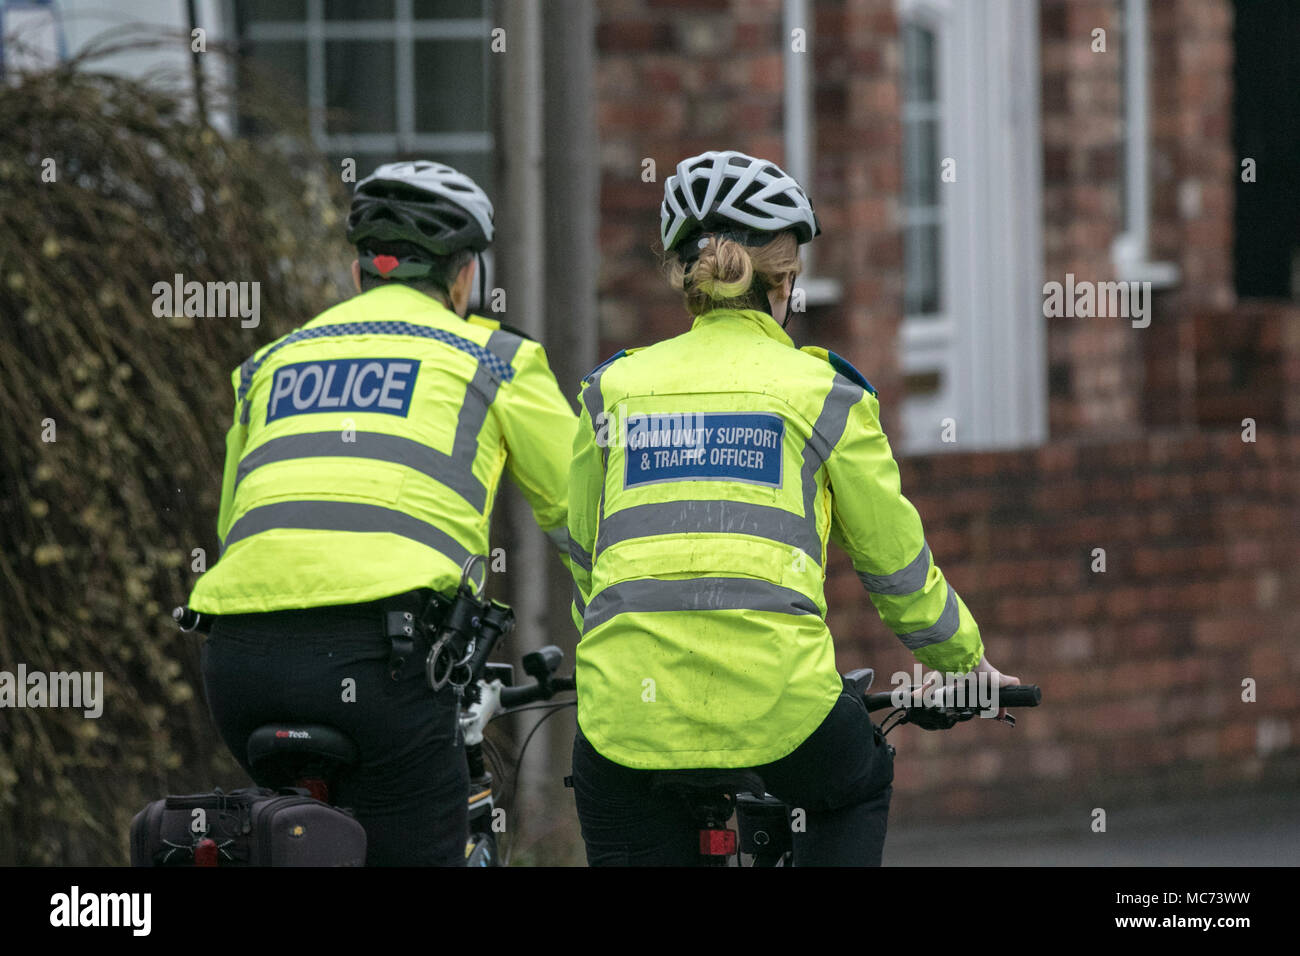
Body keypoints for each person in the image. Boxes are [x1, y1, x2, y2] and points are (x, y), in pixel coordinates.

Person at [565, 149, 1019, 865]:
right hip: (781, 712)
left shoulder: (611, 390)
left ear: (685, 277)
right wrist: (961, 659)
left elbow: (585, 549)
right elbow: (894, 564)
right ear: (786, 281)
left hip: (626, 717)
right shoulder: (824, 394)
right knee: (859, 779)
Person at [187, 160, 578, 866]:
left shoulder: (270, 362)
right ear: (465, 277)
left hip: (239, 666)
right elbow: (586, 522)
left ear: (363, 271)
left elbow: (234, 529)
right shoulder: (493, 356)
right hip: (382, 664)